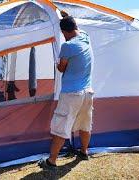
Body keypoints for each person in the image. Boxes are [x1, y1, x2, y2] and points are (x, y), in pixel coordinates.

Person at [39, 16, 94, 170]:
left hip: (71, 94)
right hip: (88, 92)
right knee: (85, 124)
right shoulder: (85, 37)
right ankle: (84, 152)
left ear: (64, 31)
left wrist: (58, 63)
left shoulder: (67, 46)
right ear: (76, 26)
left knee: (60, 127)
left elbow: (62, 68)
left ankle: (51, 161)